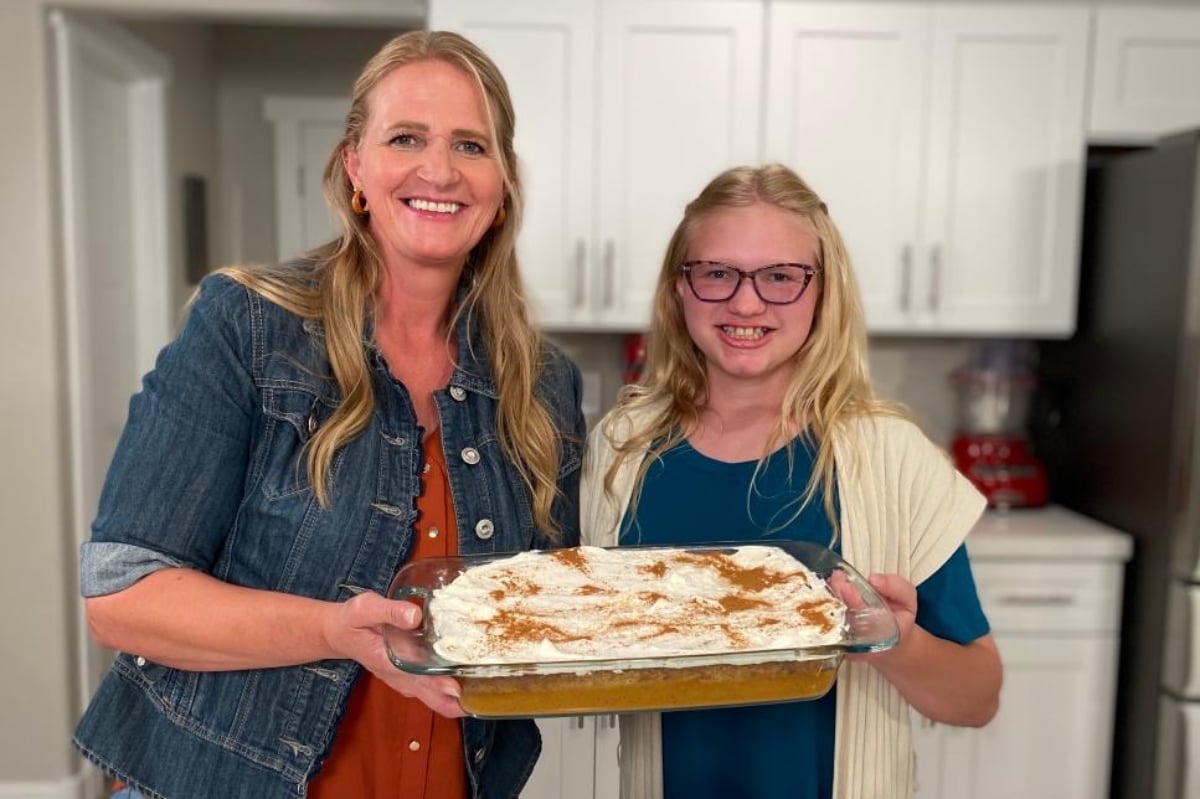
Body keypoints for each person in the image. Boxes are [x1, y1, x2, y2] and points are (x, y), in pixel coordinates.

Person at [72, 30, 585, 799]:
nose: (439, 169)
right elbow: (121, 597)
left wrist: (780, 612)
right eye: (406, 137)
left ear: (504, 181)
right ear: (356, 166)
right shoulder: (248, 326)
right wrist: (328, 629)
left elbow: (544, 611)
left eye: (471, 145)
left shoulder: (541, 383)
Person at [580, 163, 1002, 799]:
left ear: (822, 294)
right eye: (717, 273)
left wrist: (897, 643)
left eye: (780, 277)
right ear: (679, 290)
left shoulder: (890, 459)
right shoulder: (622, 448)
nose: (745, 303)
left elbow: (977, 697)